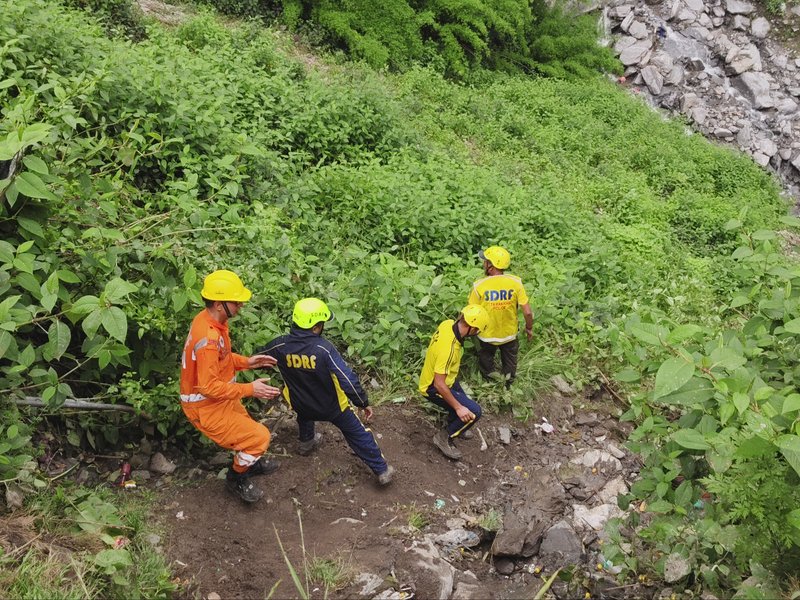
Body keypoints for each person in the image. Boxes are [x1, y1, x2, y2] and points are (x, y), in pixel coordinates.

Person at [258, 298, 394, 486]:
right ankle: (381, 469)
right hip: (332, 407)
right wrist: (362, 402)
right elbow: (347, 379)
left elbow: (257, 358)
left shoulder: (280, 345)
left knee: (304, 415)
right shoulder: (323, 348)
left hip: (300, 403)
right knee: (357, 433)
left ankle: (306, 443)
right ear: (316, 326)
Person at [179, 270, 282, 504]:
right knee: (259, 438)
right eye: (236, 302)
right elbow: (208, 387)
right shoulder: (208, 338)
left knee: (248, 432)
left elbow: (222, 359)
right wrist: (250, 389)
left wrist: (247, 362)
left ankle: (248, 463)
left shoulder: (209, 321)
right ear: (218, 304)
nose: (240, 306)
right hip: (206, 407)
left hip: (220, 399)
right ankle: (236, 478)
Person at [418, 305, 489, 460]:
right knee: (473, 413)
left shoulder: (447, 324)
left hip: (446, 378)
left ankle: (456, 424)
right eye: (477, 330)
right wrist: (458, 408)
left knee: (464, 405)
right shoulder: (448, 350)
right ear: (472, 327)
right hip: (433, 386)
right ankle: (444, 438)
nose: (477, 334)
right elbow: (439, 384)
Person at [468, 246, 533, 389]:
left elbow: (471, 311)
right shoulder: (516, 283)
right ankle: (508, 387)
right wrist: (529, 328)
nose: (483, 263)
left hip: (486, 335)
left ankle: (489, 384)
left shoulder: (479, 286)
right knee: (510, 365)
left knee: (486, 360)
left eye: (485, 261)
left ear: (490, 265)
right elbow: (527, 312)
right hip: (509, 335)